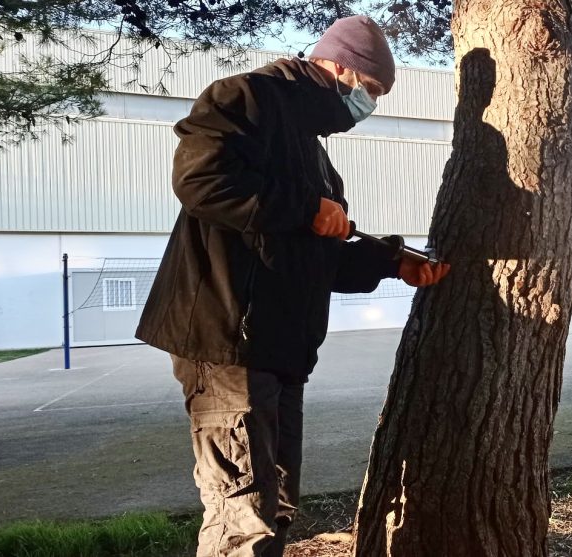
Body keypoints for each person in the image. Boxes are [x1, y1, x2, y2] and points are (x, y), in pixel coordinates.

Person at [136, 15, 450, 557]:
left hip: (282, 351)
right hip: (228, 342)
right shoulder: (244, 97)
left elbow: (319, 261)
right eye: (369, 89)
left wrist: (391, 262)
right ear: (333, 66)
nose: (368, 104)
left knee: (276, 503)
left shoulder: (317, 159)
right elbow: (200, 181)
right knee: (242, 514)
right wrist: (306, 210)